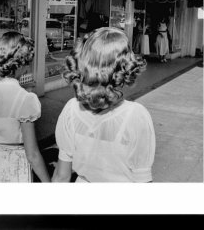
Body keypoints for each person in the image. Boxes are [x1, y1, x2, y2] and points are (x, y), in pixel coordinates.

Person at [52, 27, 156, 182]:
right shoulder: (136, 115)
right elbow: (143, 179)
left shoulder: (71, 109)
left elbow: (61, 176)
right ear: (124, 66)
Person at [0, 32, 50, 182]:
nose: (27, 68)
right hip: (15, 165)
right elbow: (32, 155)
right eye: (27, 63)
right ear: (19, 65)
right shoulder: (24, 100)